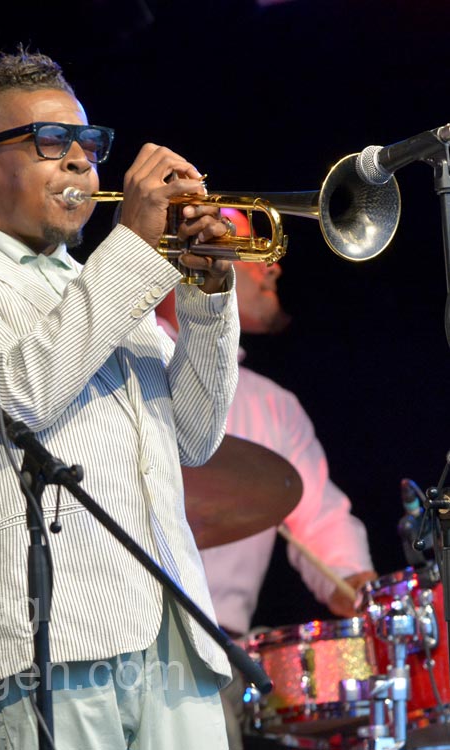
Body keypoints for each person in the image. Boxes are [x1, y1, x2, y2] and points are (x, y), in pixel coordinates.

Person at [0, 48, 241, 749]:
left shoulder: (110, 286)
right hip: (52, 640)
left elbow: (196, 438)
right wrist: (132, 245)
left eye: (88, 144)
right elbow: (23, 395)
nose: (80, 161)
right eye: (51, 142)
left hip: (176, 636)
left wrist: (207, 295)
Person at [156, 210, 376, 749]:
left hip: (227, 658)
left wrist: (365, 592)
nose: (272, 266)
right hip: (124, 648)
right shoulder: (125, 368)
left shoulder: (274, 406)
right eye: (250, 251)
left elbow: (321, 523)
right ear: (187, 264)